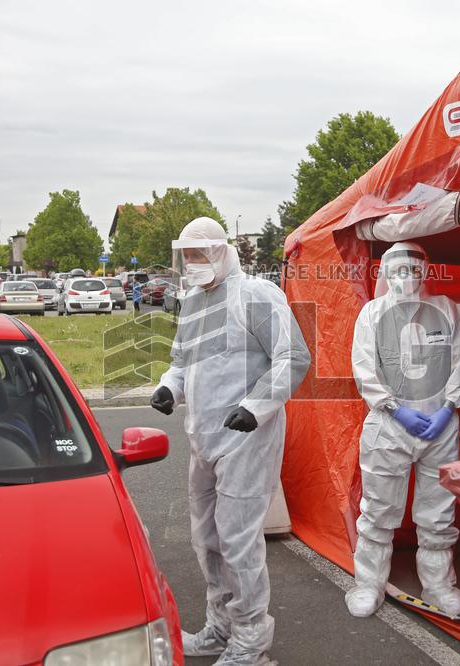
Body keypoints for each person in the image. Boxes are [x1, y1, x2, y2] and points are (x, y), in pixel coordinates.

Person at [150, 217, 310, 665]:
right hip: (203, 435)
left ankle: (251, 641)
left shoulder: (256, 296)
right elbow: (181, 361)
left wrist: (256, 406)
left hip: (246, 437)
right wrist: (170, 388)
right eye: (187, 255)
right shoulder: (193, 302)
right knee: (206, 536)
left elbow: (293, 356)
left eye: (200, 254)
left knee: (239, 539)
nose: (192, 263)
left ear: (222, 251)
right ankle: (220, 627)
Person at [345, 241, 460, 618]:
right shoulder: (372, 314)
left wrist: (448, 408)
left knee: (438, 511)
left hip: (440, 425)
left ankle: (438, 584)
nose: (406, 277)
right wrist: (396, 410)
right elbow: (364, 369)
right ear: (384, 272)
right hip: (389, 426)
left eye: (413, 269)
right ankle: (368, 583)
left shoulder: (446, 310)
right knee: (380, 509)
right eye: (398, 270)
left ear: (426, 271)